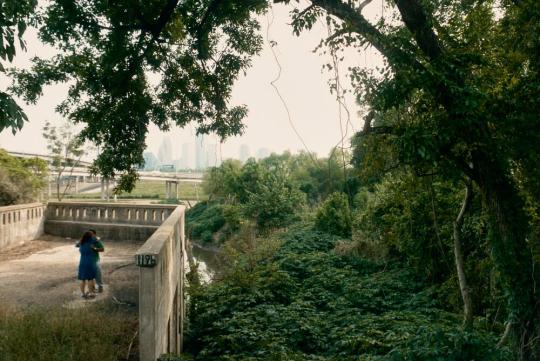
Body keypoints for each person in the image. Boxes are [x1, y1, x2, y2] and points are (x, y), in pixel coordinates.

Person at [77, 231, 99, 298]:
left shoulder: (81, 242)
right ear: (90, 237)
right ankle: (91, 293)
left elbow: (76, 245)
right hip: (90, 262)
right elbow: (98, 239)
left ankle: (82, 293)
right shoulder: (91, 241)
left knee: (82, 279)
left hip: (82, 262)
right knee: (90, 278)